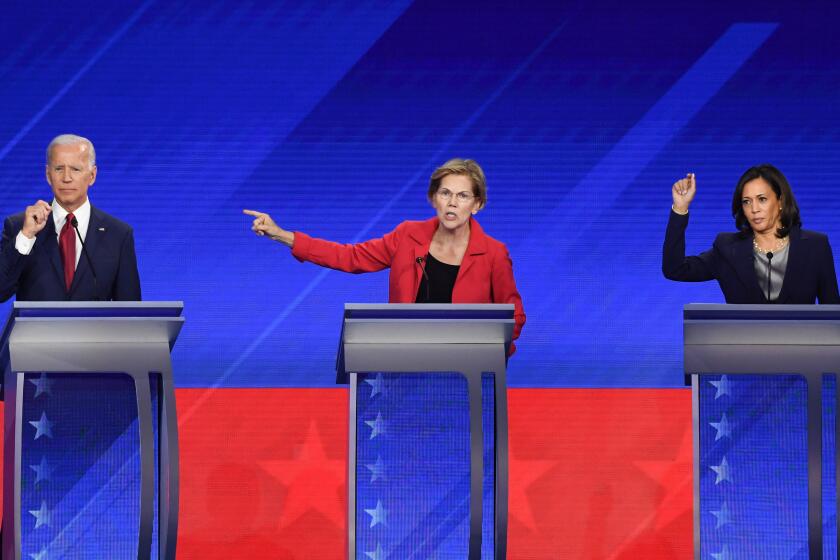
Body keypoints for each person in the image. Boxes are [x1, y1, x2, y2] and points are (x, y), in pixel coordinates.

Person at [244, 158, 525, 352]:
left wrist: (486, 352)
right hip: (406, 360)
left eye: (463, 196)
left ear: (477, 204)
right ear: (433, 199)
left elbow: (514, 318)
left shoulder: (493, 253)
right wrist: (282, 234)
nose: (452, 203)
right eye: (445, 193)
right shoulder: (407, 236)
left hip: (469, 372)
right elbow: (350, 257)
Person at [662, 164, 839, 303]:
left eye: (762, 199)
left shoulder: (815, 246)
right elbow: (675, 270)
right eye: (747, 202)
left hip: (802, 348)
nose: (754, 209)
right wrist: (680, 207)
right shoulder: (727, 249)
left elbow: (832, 314)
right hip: (742, 348)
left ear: (780, 201)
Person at [0, 134, 141, 302]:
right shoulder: (20, 227)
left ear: (92, 175)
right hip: (39, 329)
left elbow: (130, 312)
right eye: (59, 169)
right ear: (48, 174)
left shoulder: (118, 235)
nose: (66, 178)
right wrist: (26, 236)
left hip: (94, 329)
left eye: (75, 169)